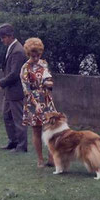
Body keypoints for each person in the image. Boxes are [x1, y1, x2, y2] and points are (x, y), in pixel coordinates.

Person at [0, 23, 28, 153]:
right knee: (7, 116)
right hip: (9, 90)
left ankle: (22, 146)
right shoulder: (12, 48)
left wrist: (0, 83)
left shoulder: (18, 51)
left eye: (3, 37)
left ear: (10, 36)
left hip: (16, 91)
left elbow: (15, 73)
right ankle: (13, 142)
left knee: (18, 119)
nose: (2, 40)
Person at [20, 37, 56, 168]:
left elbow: (49, 80)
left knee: (51, 127)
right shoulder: (25, 68)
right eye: (33, 56)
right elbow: (26, 89)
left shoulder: (44, 63)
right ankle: (40, 159)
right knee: (36, 130)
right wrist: (36, 105)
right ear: (28, 54)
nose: (36, 58)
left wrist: (49, 83)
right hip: (33, 101)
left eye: (38, 55)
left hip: (46, 99)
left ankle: (52, 157)